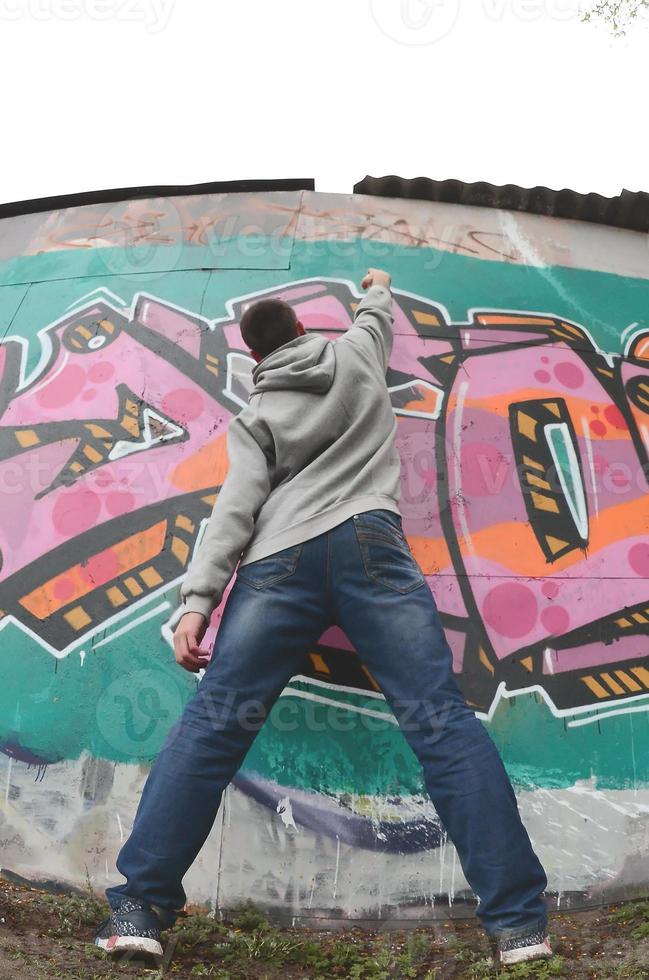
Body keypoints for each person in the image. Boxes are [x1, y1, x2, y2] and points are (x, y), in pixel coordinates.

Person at [95, 269, 552, 967]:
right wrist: (375, 285)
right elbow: (376, 315)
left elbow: (235, 510)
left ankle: (140, 909)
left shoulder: (257, 415)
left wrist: (196, 603)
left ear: (255, 359)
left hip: (278, 561)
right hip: (373, 545)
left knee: (215, 724)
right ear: (305, 332)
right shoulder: (356, 354)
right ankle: (518, 926)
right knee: (439, 722)